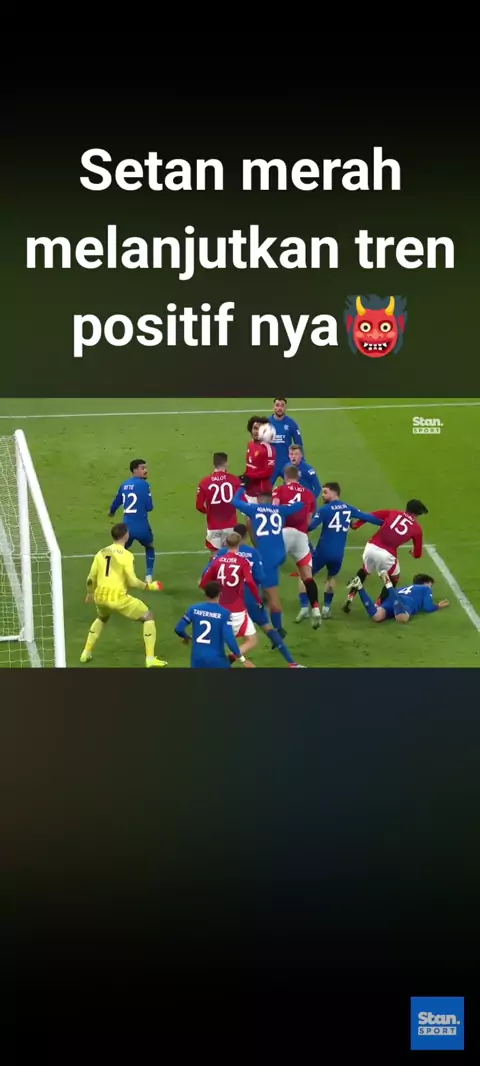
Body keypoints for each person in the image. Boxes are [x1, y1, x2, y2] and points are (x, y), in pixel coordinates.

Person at [200, 524, 305, 667]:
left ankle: (211, 661)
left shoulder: (222, 553)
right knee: (267, 628)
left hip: (227, 599)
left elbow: (206, 574)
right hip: (249, 597)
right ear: (245, 537)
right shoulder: (253, 553)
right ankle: (291, 663)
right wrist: (260, 597)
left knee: (221, 633)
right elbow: (260, 577)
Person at [80, 523, 166, 667]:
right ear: (126, 535)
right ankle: (150, 659)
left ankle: (86, 653)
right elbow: (132, 582)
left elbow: (90, 578)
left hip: (100, 597)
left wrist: (90, 593)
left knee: (102, 618)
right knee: (148, 617)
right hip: (118, 598)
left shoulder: (101, 553)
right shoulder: (127, 555)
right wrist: (149, 586)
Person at [296, 482, 383, 621]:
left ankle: (305, 608)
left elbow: (311, 526)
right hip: (338, 553)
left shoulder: (325, 510)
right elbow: (367, 517)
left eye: (325, 492)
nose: (322, 495)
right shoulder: (348, 507)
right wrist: (384, 523)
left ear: (334, 492)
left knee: (305, 576)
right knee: (331, 578)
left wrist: (297, 523)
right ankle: (326, 610)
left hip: (323, 551)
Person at [232, 489, 303, 635]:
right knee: (262, 582)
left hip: (266, 555)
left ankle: (278, 629)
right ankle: (262, 596)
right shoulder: (280, 510)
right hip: (279, 553)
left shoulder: (254, 509)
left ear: (259, 500)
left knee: (272, 594)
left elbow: (235, 502)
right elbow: (300, 505)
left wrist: (242, 489)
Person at [342, 499, 428, 613]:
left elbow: (369, 516)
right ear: (418, 513)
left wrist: (357, 524)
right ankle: (378, 606)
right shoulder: (417, 529)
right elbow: (418, 554)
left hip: (371, 547)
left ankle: (350, 597)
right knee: (394, 578)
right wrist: (413, 553)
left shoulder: (392, 513)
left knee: (364, 571)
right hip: (387, 554)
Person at [273, 467, 321, 628]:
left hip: (284, 533)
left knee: (269, 566)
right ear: (298, 477)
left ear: (285, 477)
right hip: (301, 536)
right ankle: (315, 608)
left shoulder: (279, 490)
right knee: (307, 576)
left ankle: (262, 602)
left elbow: (274, 511)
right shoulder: (308, 494)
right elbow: (308, 521)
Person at [200, 532, 263, 656]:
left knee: (219, 641)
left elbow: (204, 583)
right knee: (251, 640)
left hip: (219, 608)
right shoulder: (243, 562)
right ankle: (228, 658)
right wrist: (258, 600)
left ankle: (223, 659)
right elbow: (251, 582)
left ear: (226, 544)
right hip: (237, 609)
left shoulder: (218, 561)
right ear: (239, 544)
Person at [174, 580, 254, 668]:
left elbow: (179, 629)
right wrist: (242, 659)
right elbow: (229, 638)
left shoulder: (193, 609)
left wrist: (186, 637)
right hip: (217, 659)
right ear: (220, 594)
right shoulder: (224, 613)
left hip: (197, 659)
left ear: (205, 593)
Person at [109, 459, 156, 582]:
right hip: (142, 526)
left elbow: (117, 501)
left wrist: (112, 511)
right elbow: (150, 507)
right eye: (142, 468)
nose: (145, 470)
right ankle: (149, 576)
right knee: (149, 547)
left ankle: (117, 575)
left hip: (127, 528)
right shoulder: (145, 485)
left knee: (122, 550)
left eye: (146, 468)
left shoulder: (124, 485)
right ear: (135, 470)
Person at [354, 572, 449, 623]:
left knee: (377, 616)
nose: (430, 588)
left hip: (392, 598)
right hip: (405, 602)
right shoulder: (425, 588)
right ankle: (389, 585)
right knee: (402, 619)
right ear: (425, 583)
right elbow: (428, 607)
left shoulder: (403, 588)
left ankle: (360, 587)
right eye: (430, 585)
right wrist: (438, 606)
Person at [196, 452, 242, 552]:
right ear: (226, 463)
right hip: (231, 525)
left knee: (214, 555)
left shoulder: (204, 482)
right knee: (232, 553)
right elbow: (241, 500)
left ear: (214, 464)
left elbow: (199, 506)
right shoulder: (234, 480)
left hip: (213, 526)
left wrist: (208, 512)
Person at [268, 398, 303, 484]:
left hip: (287, 464)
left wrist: (302, 462)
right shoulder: (267, 423)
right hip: (271, 464)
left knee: (291, 488)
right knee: (266, 489)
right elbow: (260, 444)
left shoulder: (291, 423)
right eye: (277, 405)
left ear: (286, 408)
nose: (279, 408)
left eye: (282, 406)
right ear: (273, 407)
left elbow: (299, 444)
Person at [242, 417, 276, 502]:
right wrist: (244, 477)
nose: (256, 431)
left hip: (261, 493)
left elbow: (268, 472)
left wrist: (250, 476)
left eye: (260, 429)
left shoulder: (268, 449)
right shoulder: (250, 444)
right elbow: (249, 466)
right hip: (249, 489)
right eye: (255, 428)